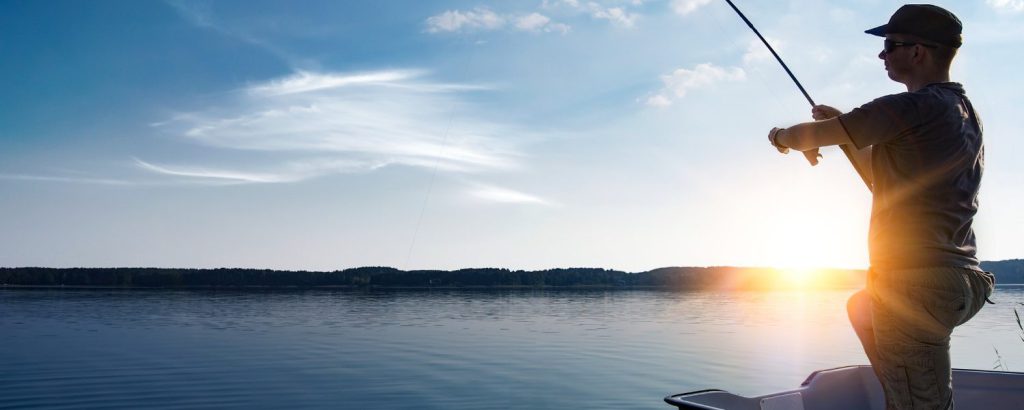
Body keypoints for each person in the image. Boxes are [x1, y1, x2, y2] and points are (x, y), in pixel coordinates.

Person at [765, 4, 994, 410]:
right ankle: (899, 391)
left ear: (918, 52)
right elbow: (881, 179)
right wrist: (844, 131)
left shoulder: (908, 107)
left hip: (914, 284)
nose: (882, 55)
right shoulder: (964, 113)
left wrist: (781, 136)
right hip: (961, 281)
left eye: (890, 46)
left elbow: (805, 136)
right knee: (863, 307)